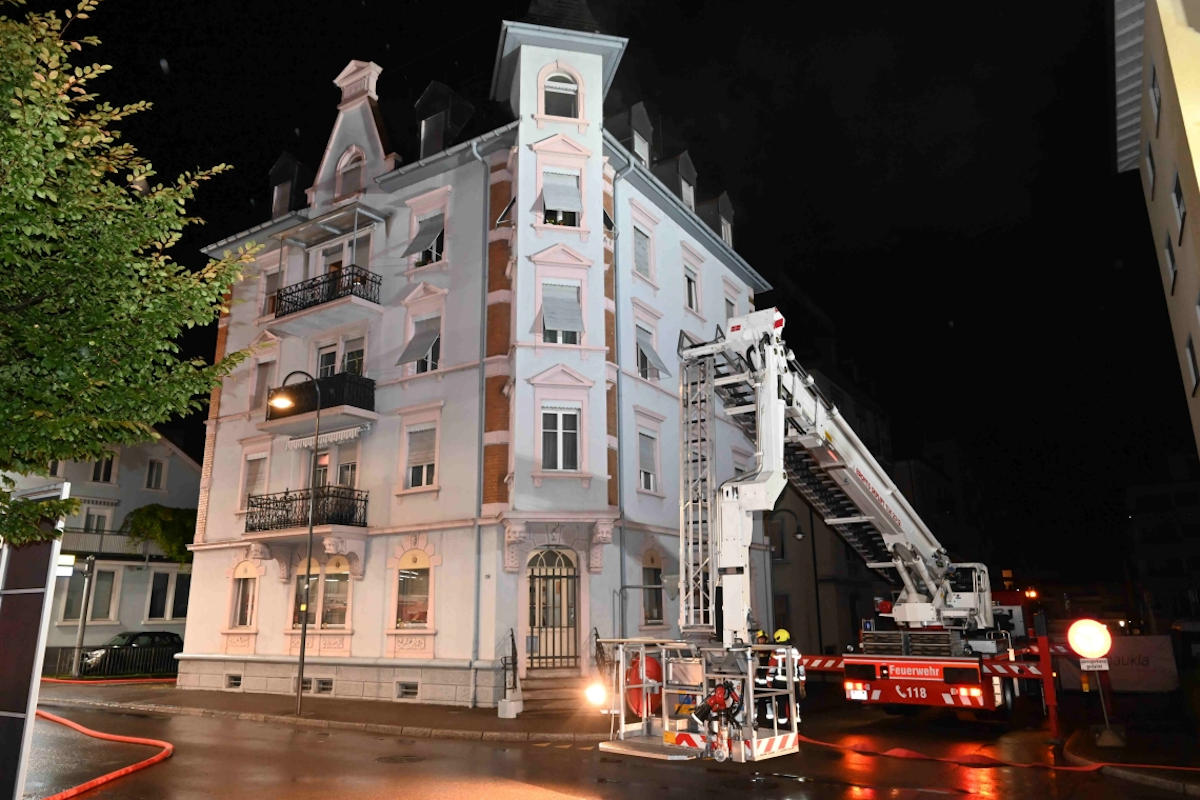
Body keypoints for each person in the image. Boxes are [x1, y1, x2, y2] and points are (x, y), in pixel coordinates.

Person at [768, 628, 806, 725]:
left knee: (781, 702)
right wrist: (802, 682)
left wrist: (769, 681)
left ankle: (782, 723)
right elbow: (801, 668)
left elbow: (771, 668)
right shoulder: (796, 651)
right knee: (794, 702)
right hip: (794, 682)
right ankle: (795, 722)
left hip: (779, 683)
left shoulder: (775, 652)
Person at [751, 629, 772, 726]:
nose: (762, 640)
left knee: (768, 698)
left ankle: (770, 720)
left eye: (763, 639)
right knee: (755, 699)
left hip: (766, 678)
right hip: (757, 678)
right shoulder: (754, 650)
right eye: (760, 639)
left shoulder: (769, 649)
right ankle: (754, 718)